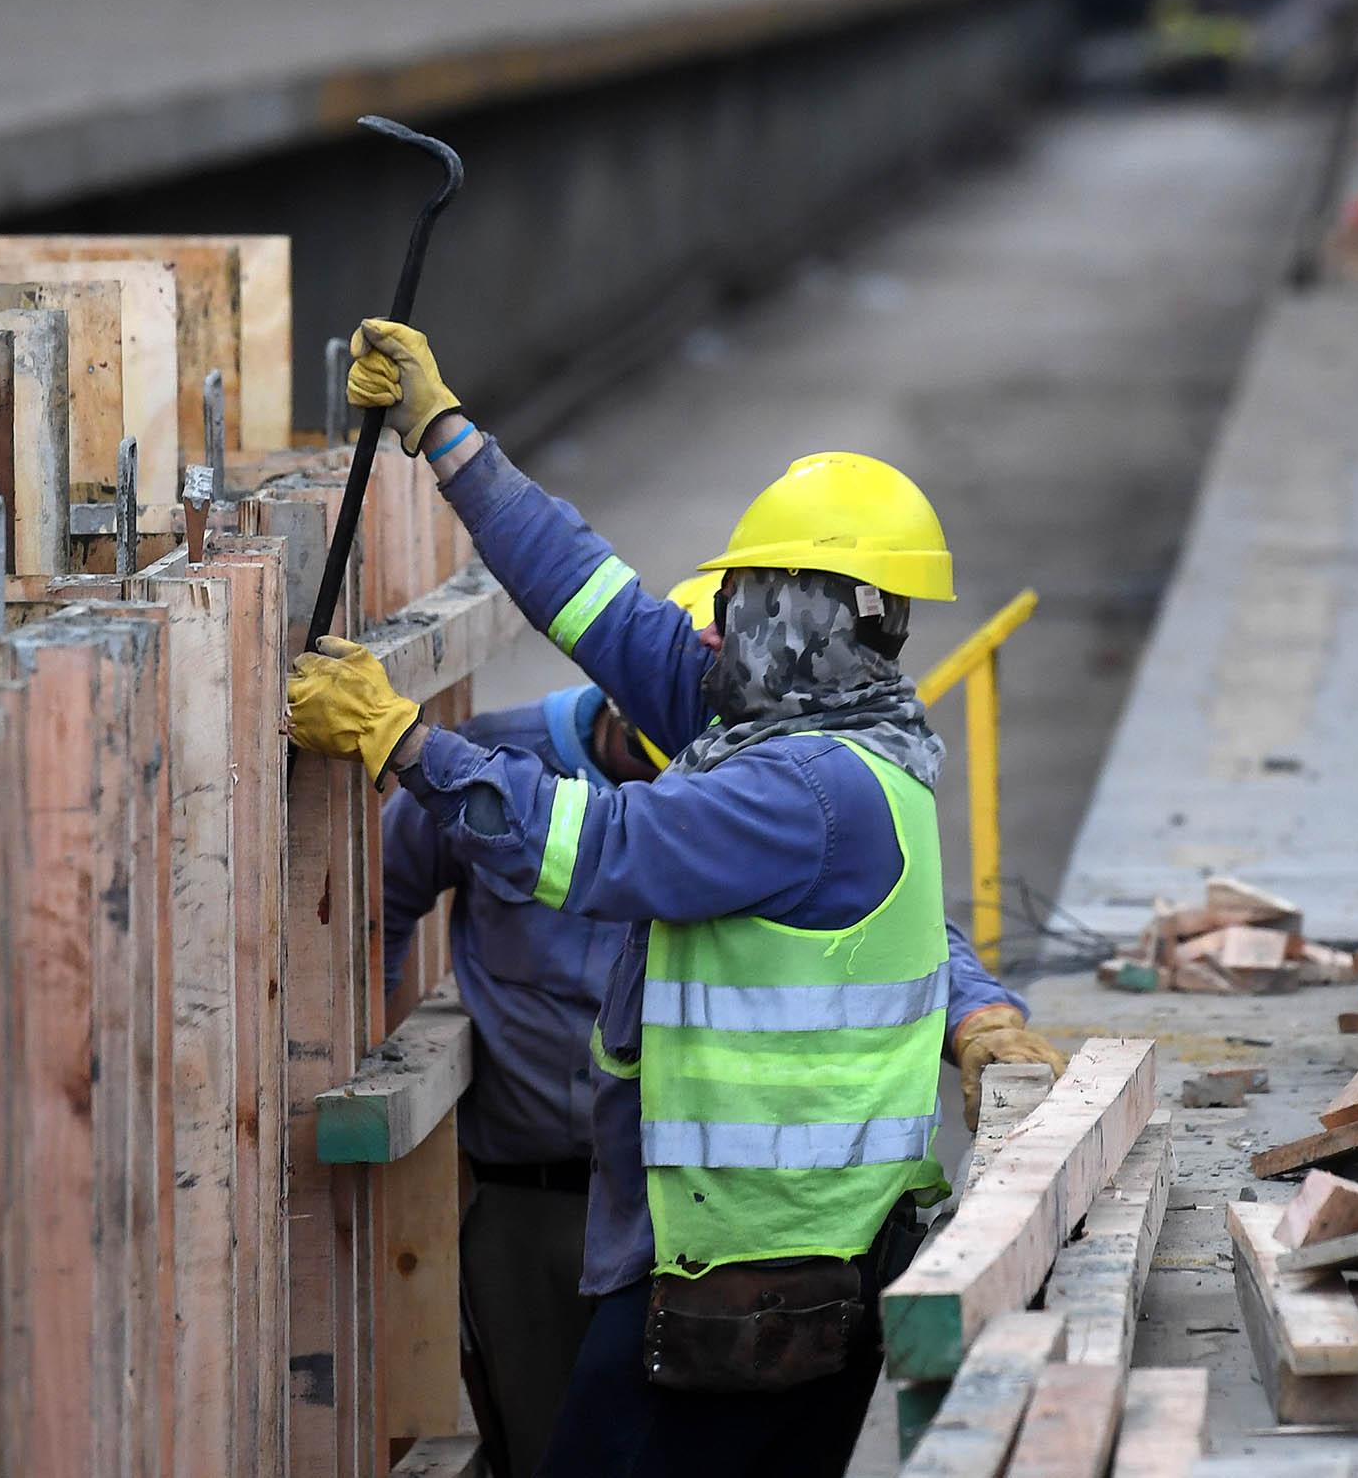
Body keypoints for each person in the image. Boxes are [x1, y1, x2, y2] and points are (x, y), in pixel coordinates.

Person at [292, 322, 1027, 1477]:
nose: (718, 618)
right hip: (747, 1267)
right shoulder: (808, 727)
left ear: (805, 610)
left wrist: (400, 742)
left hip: (759, 1284)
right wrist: (446, 430)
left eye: (744, 594)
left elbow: (595, 846)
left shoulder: (804, 788)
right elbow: (591, 596)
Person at [384, 575, 1055, 1478]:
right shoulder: (513, 758)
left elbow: (880, 919)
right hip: (535, 1199)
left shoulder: (748, 776)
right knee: (554, 1445)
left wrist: (975, 1011)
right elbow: (388, 898)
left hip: (690, 1233)